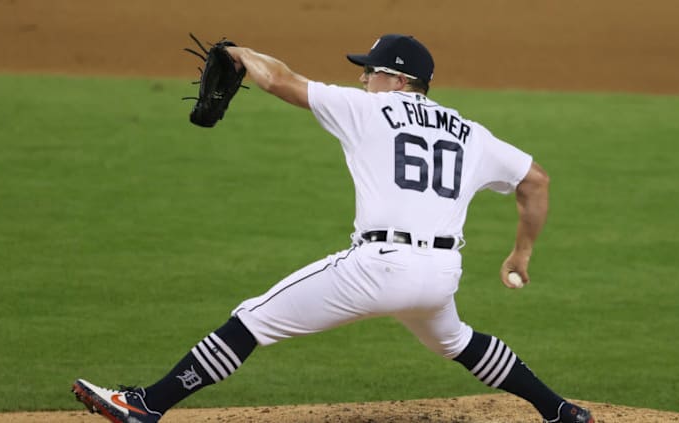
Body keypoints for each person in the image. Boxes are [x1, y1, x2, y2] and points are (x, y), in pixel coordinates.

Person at [72, 34, 594, 423]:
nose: (364, 78)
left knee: (253, 319)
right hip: (440, 272)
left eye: (371, 71)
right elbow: (537, 181)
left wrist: (238, 51)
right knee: (455, 340)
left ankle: (147, 405)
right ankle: (560, 411)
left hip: (378, 266)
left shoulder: (367, 108)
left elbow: (278, 80)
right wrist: (520, 254)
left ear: (396, 79)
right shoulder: (471, 132)